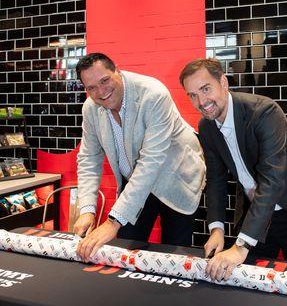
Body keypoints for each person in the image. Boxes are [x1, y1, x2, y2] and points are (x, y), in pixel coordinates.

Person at [179, 58, 287, 282]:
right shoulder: (206, 125)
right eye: (192, 95)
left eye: (205, 89)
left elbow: (272, 179)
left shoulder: (264, 112)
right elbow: (216, 179)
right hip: (257, 213)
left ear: (223, 82)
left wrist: (241, 245)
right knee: (253, 281)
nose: (201, 101)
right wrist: (216, 229)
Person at [74, 52, 206, 262]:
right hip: (136, 181)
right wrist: (87, 210)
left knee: (173, 258)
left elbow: (151, 161)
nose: (101, 91)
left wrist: (112, 222)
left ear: (117, 70)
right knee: (125, 250)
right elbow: (89, 158)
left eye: (105, 80)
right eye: (91, 88)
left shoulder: (153, 94)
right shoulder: (91, 109)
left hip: (175, 177)